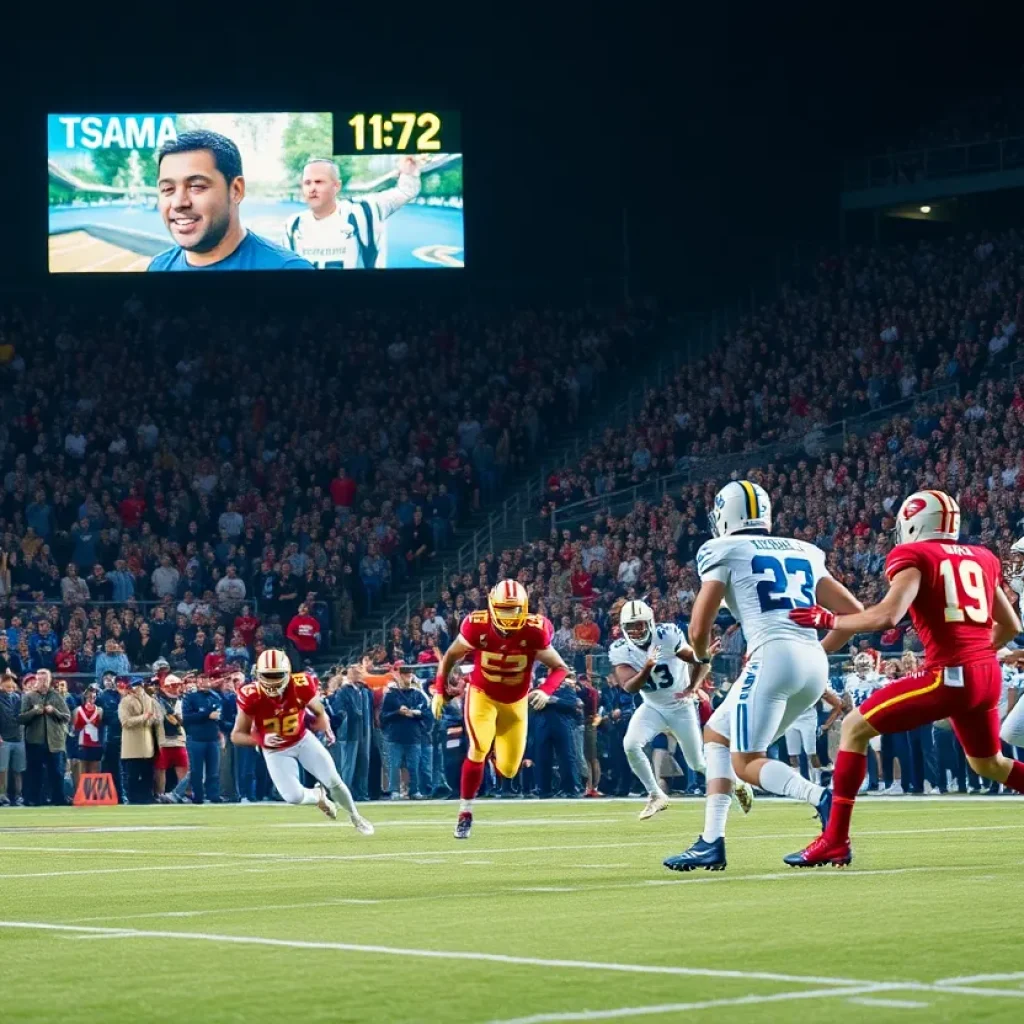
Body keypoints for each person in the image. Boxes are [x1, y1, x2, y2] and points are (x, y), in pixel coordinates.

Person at [785, 489, 1024, 867]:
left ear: (913, 521)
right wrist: (977, 655)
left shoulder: (914, 554)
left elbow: (887, 616)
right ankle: (834, 839)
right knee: (989, 763)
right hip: (987, 674)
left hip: (949, 674)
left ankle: (835, 839)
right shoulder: (983, 557)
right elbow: (1010, 625)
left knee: (853, 728)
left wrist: (831, 619)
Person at [664, 480, 862, 872]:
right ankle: (710, 841)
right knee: (716, 736)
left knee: (746, 762)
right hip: (810, 661)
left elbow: (699, 624)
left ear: (725, 514)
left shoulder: (722, 548)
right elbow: (854, 613)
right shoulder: (804, 549)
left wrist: (701, 657)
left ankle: (821, 796)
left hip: (771, 656)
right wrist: (814, 652)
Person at [433, 579, 571, 839]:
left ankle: (497, 754)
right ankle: (465, 813)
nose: (509, 616)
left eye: (514, 609)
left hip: (516, 702)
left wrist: (545, 690)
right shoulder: (477, 626)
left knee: (508, 769)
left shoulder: (535, 630)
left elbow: (560, 667)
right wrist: (440, 690)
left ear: (525, 607)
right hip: (482, 695)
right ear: (492, 606)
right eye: (504, 609)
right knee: (478, 748)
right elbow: (451, 656)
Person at [610, 599, 740, 820]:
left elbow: (694, 658)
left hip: (680, 707)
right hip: (652, 706)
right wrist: (647, 668)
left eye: (640, 624)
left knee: (696, 762)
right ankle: (655, 794)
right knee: (631, 745)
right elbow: (629, 686)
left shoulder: (667, 634)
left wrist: (697, 675)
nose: (636, 630)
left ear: (650, 622)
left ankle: (736, 783)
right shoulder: (620, 649)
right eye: (631, 626)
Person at [231, 649, 373, 833]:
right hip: (275, 749)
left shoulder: (301, 684)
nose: (271, 682)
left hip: (302, 739)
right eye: (266, 675)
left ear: (287, 674)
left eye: (276, 676)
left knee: (334, 781)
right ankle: (317, 796)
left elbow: (319, 710)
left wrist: (325, 724)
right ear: (257, 675)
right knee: (293, 796)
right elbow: (237, 735)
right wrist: (260, 739)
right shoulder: (251, 695)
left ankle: (356, 816)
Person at [148, 130, 315, 272]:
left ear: (236, 190)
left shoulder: (288, 270)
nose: (178, 202)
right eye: (168, 189)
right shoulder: (158, 267)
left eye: (196, 186)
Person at [284, 156, 422, 269]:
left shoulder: (363, 211)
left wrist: (408, 172)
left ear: (336, 186)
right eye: (307, 183)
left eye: (319, 182)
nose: (312, 188)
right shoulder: (293, 225)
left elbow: (405, 191)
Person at [380, 663, 432, 799]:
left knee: (414, 766)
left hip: (414, 736)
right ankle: (395, 790)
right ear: (400, 676)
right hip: (395, 736)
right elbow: (383, 716)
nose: (408, 679)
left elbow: (427, 713)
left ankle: (414, 790)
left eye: (410, 676)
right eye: (406, 676)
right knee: (394, 766)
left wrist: (415, 713)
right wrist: (398, 712)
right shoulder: (391, 695)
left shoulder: (417, 695)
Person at [20, 670, 71, 806]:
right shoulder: (29, 697)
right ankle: (34, 799)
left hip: (55, 741)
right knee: (35, 772)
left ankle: (58, 799)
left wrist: (54, 711)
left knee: (56, 772)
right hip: (35, 740)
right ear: (36, 680)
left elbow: (67, 717)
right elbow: (22, 718)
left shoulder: (57, 696)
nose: (43, 683)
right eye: (40, 680)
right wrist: (35, 711)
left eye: (45, 680)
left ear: (49, 680)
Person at [784, 686, 842, 786]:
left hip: (808, 719)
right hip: (791, 719)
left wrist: (827, 724)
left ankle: (817, 781)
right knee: (792, 754)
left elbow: (837, 704)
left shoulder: (814, 685)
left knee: (811, 752)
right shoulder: (787, 684)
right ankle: (798, 783)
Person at [181, 674, 222, 804]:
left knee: (213, 770)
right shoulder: (190, 698)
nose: (204, 683)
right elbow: (186, 717)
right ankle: (198, 796)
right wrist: (206, 714)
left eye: (206, 680)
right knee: (196, 770)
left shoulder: (215, 697)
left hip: (212, 738)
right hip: (196, 738)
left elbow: (220, 717)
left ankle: (214, 795)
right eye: (201, 680)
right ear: (197, 682)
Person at [119, 677, 158, 805]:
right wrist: (143, 718)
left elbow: (155, 719)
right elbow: (125, 722)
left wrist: (150, 719)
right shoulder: (125, 701)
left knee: (148, 774)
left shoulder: (150, 700)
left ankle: (147, 797)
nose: (139, 689)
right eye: (136, 686)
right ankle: (132, 798)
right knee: (133, 775)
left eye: (140, 686)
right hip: (132, 745)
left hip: (147, 744)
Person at [154, 674, 188, 802]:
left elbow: (183, 720)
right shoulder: (157, 701)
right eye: (173, 686)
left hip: (179, 739)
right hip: (163, 740)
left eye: (178, 685)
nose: (176, 688)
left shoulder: (183, 700)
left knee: (183, 767)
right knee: (160, 769)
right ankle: (159, 794)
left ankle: (183, 794)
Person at [0, 671, 25, 805]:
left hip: (18, 738)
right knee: (2, 769)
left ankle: (18, 795)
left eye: (12, 685)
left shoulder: (18, 698)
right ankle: (2, 795)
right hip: (4, 738)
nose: (10, 688)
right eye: (7, 685)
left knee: (18, 769)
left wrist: (15, 677)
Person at [72, 685, 103, 779]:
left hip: (95, 745)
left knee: (95, 773)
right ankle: (81, 792)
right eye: (89, 697)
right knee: (82, 773)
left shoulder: (99, 710)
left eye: (94, 697)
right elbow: (74, 729)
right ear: (85, 697)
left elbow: (100, 727)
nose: (91, 700)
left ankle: (93, 793)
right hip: (82, 745)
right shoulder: (77, 710)